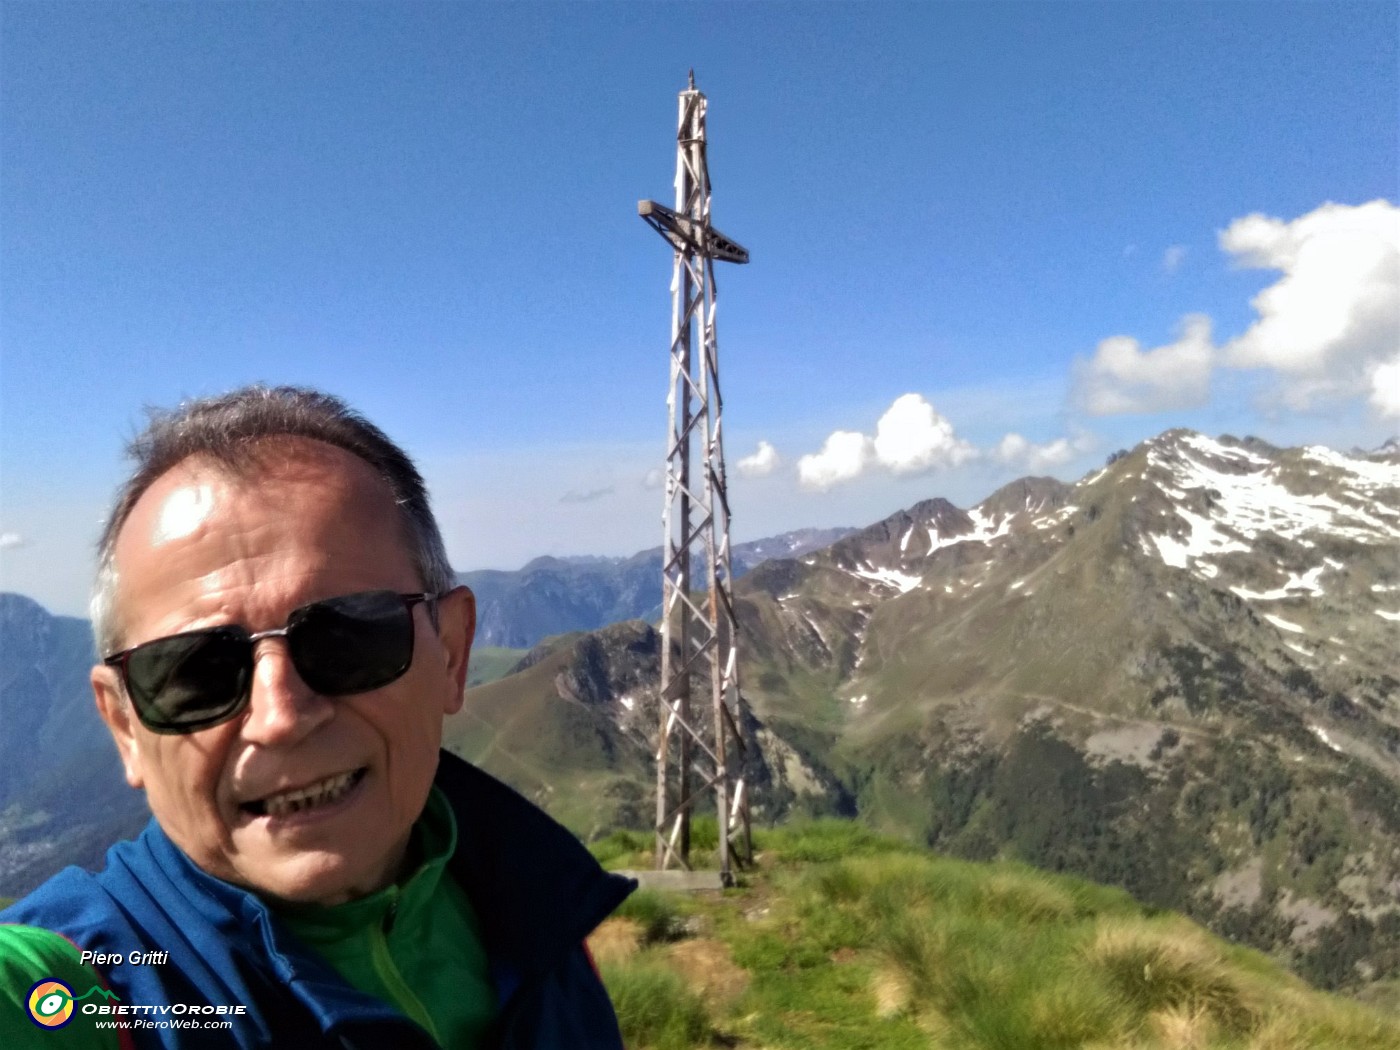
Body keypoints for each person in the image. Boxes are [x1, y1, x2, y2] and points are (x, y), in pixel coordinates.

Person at [0, 386, 635, 1048]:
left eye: (349, 635)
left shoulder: (541, 913)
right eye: (194, 671)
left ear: (451, 653)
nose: (279, 717)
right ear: (125, 726)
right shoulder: (84, 991)